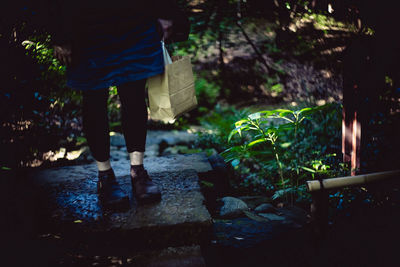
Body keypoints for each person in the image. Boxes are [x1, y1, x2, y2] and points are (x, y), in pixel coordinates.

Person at [50, 1, 189, 208]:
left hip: (136, 21)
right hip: (86, 26)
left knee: (134, 97)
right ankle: (105, 175)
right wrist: (59, 33)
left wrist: (167, 12)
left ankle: (138, 170)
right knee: (94, 99)